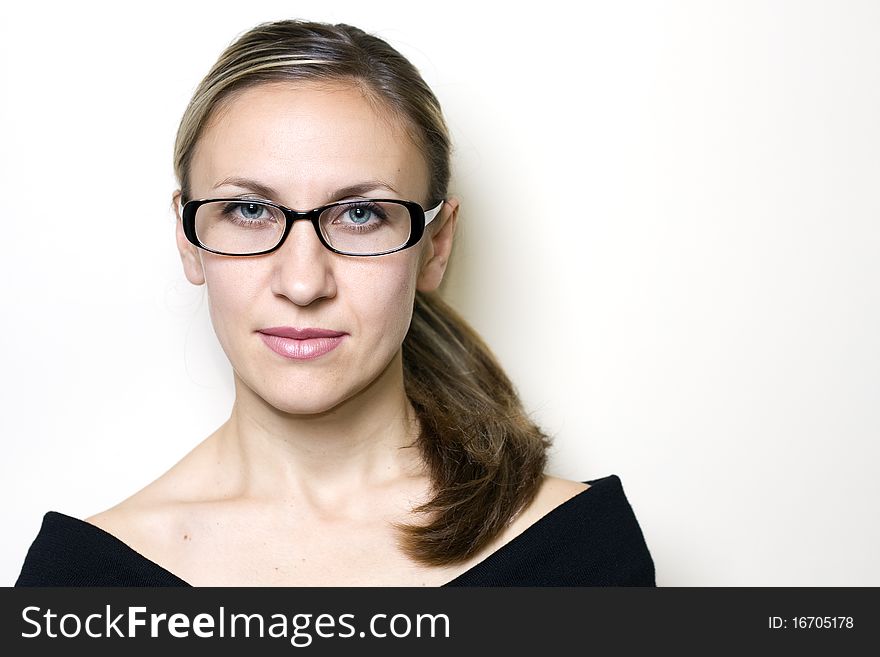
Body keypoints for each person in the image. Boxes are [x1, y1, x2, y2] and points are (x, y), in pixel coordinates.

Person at [15, 19, 655, 587]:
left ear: (435, 247)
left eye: (359, 214)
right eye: (249, 210)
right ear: (189, 238)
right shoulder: (80, 583)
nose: (302, 283)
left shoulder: (578, 551)